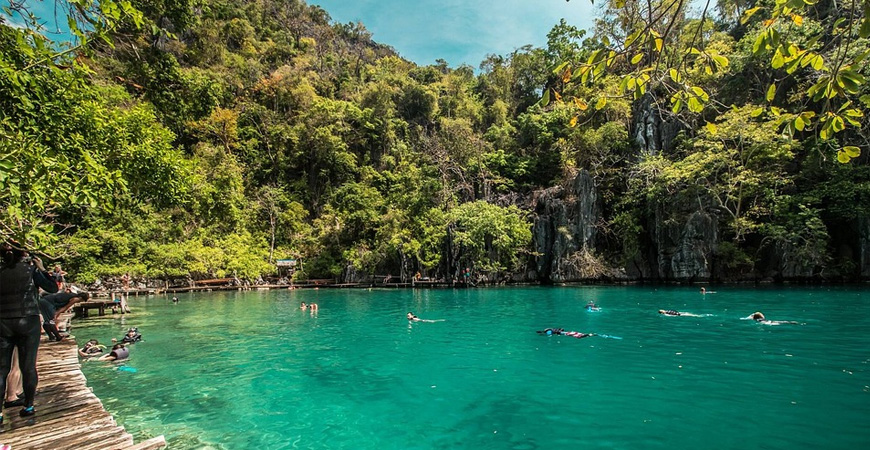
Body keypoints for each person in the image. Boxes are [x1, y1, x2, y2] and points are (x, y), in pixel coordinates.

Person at [0, 241, 59, 423]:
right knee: (28, 366)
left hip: (3, 321)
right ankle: (29, 406)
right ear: (23, 253)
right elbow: (53, 288)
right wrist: (42, 268)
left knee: (1, 368)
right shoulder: (30, 270)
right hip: (28, 320)